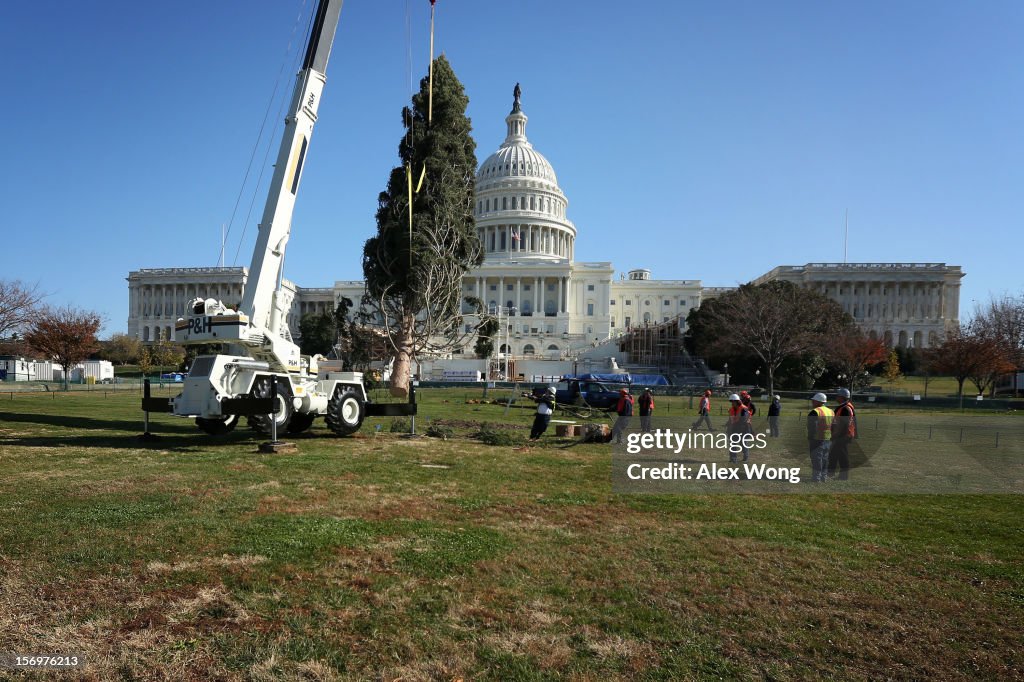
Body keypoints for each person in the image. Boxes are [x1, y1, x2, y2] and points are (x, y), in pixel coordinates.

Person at [806, 393, 834, 483]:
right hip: (828, 439)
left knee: (816, 459)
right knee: (825, 459)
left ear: (817, 401)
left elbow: (811, 427)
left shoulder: (815, 412)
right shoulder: (831, 411)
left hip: (817, 439)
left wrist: (810, 438)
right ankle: (823, 477)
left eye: (813, 400)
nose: (812, 402)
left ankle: (816, 478)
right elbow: (835, 425)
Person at [829, 388, 856, 480]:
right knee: (834, 454)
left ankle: (843, 476)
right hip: (841, 435)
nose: (836, 397)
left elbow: (844, 424)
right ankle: (830, 473)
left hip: (843, 435)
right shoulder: (843, 407)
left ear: (842, 397)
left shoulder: (846, 408)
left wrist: (835, 434)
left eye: (838, 395)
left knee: (842, 456)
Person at [726, 393, 751, 463]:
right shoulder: (731, 409)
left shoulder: (744, 409)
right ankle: (733, 458)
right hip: (736, 428)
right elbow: (730, 420)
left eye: (733, 401)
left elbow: (744, 420)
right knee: (733, 443)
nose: (732, 403)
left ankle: (746, 455)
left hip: (744, 428)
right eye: (731, 401)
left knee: (743, 443)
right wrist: (729, 428)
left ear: (737, 401)